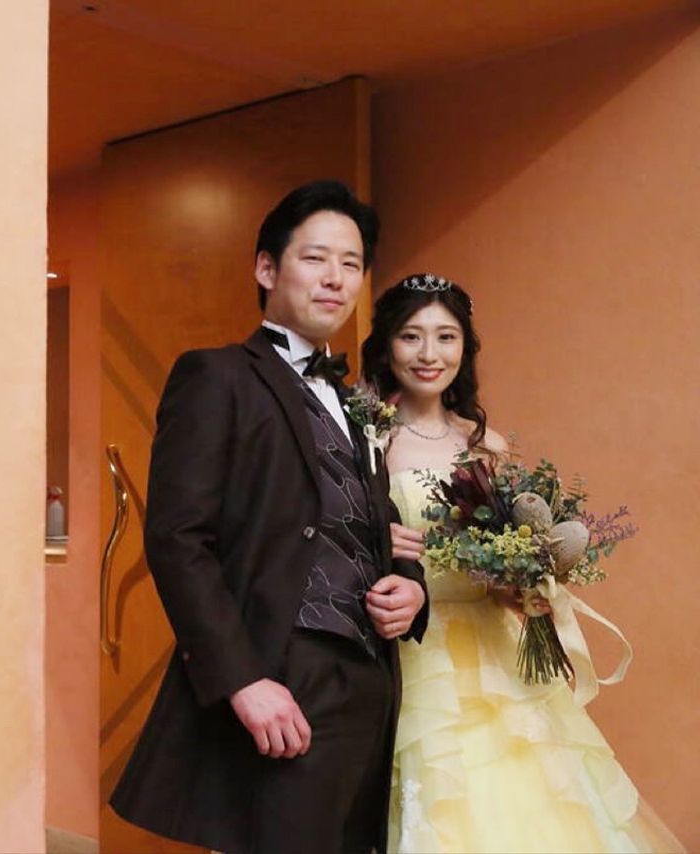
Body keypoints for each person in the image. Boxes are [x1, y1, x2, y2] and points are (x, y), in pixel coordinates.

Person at [109, 180, 429, 854]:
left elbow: (373, 523)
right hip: (283, 671)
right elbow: (177, 538)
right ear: (265, 268)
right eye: (315, 258)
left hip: (369, 680)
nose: (335, 278)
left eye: (351, 264)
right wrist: (243, 679)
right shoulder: (217, 377)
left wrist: (410, 585)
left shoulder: (356, 402)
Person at [363, 273, 684, 853]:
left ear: (465, 348)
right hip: (411, 647)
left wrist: (526, 585)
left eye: (446, 337)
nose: (430, 354)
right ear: (387, 346)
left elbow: (497, 564)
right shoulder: (368, 440)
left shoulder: (487, 445)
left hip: (494, 652)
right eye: (411, 336)